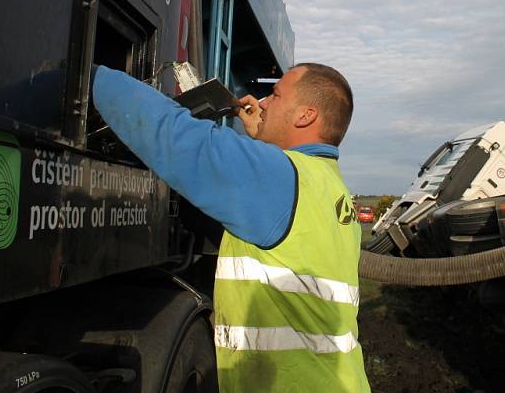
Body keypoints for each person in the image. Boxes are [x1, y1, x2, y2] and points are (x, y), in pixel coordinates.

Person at [92, 62, 370, 392]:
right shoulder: (330, 187)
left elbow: (174, 135)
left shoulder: (277, 176)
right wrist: (267, 136)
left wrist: (91, 73)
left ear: (305, 116)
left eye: (276, 95)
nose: (264, 103)